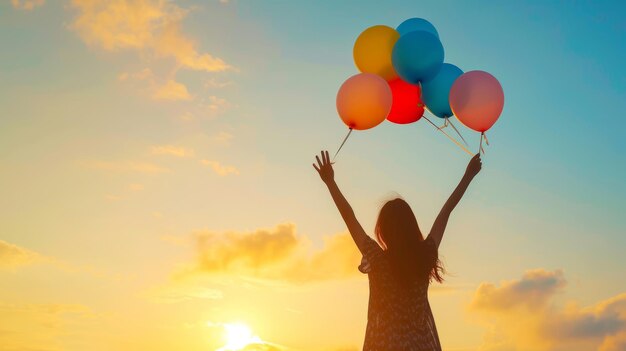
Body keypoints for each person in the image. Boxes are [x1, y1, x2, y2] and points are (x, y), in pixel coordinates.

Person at [313, 150, 482, 351]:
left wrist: (330, 182)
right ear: (412, 226)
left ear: (383, 230)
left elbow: (349, 218)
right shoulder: (425, 256)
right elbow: (446, 212)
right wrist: (468, 176)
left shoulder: (377, 259)